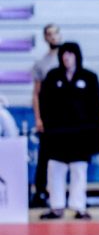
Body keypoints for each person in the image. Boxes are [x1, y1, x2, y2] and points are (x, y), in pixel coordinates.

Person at [38, 43, 99, 220]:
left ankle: (79, 207)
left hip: (81, 134)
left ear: (77, 56)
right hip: (57, 133)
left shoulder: (89, 77)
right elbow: (44, 102)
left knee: (79, 170)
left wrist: (97, 131)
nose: (66, 57)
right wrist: (46, 125)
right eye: (64, 54)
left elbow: (97, 105)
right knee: (55, 169)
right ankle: (56, 207)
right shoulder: (53, 76)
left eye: (70, 54)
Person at [31, 23, 62, 207]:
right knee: (45, 156)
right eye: (49, 34)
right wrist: (38, 118)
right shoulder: (41, 64)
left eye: (55, 33)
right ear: (45, 38)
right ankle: (40, 192)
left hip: (67, 117)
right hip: (50, 116)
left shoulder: (69, 58)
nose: (53, 37)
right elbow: (36, 93)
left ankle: (70, 195)